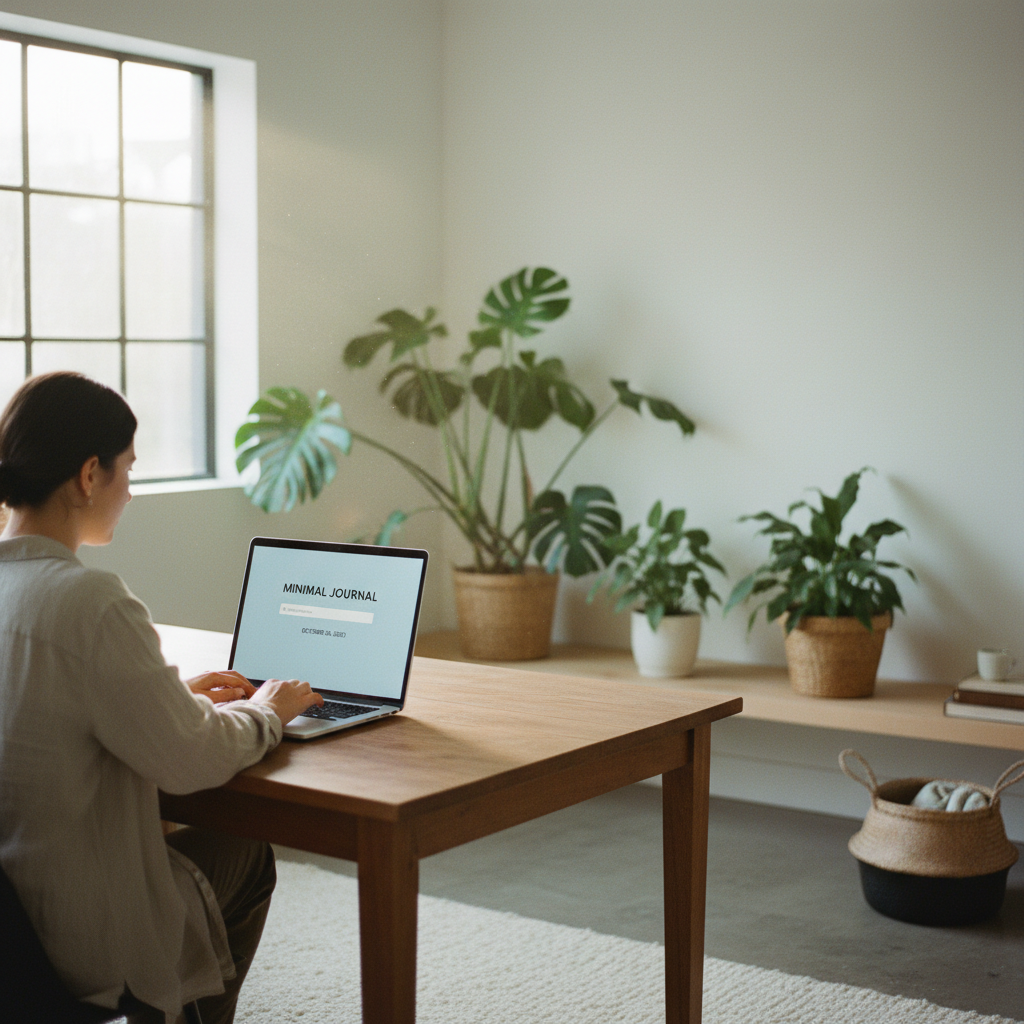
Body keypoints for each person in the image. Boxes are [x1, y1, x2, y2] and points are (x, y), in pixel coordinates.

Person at [0, 372, 323, 1024]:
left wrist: (167, 694)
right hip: (77, 936)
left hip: (14, 922)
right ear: (89, 475)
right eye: (127, 470)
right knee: (247, 852)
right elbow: (190, 761)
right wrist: (268, 709)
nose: (130, 490)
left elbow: (38, 702)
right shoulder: (89, 600)